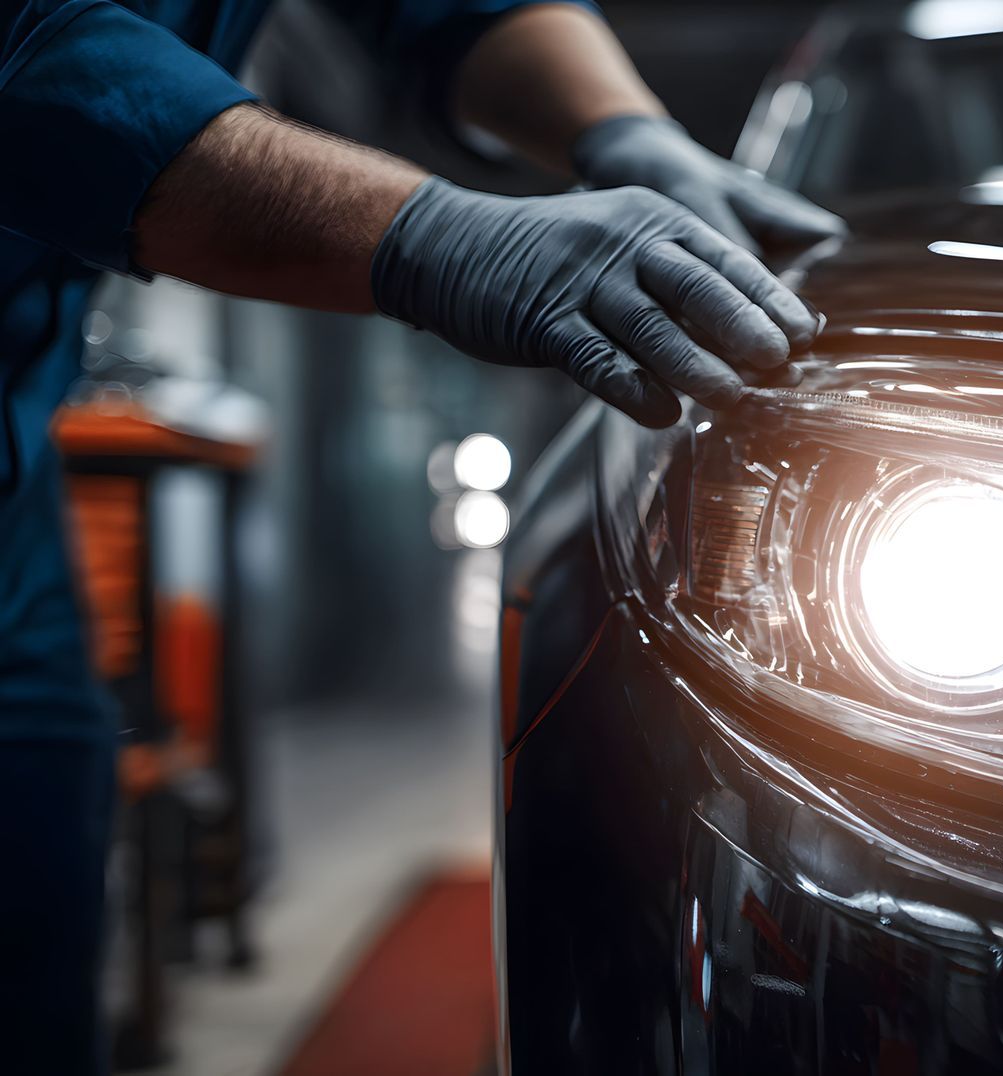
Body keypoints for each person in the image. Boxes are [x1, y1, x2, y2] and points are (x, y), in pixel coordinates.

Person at [0, 0, 843, 1067]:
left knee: (35, 848)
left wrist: (623, 127)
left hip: (15, 452)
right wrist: (426, 231)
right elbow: (28, 57)